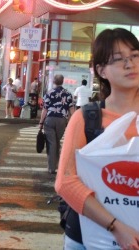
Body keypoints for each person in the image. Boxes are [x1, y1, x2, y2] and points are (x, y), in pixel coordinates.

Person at [55, 28, 139, 249]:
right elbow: (65, 182)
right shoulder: (87, 118)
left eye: (135, 55)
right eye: (119, 60)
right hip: (87, 238)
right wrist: (116, 227)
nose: (130, 64)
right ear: (101, 70)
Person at [39, 74, 74, 174]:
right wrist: (73, 121)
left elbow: (45, 109)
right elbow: (72, 109)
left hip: (49, 120)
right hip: (62, 120)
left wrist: (41, 123)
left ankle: (51, 167)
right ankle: (57, 164)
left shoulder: (49, 93)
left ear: (54, 81)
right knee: (57, 142)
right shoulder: (68, 94)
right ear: (62, 81)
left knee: (51, 143)